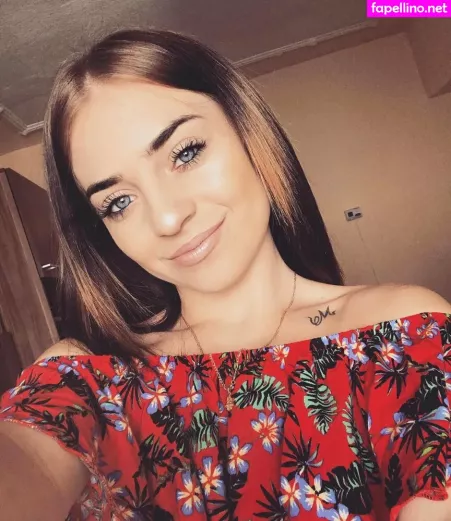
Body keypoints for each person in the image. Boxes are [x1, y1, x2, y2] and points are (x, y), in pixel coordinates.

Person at [0, 28, 450, 521]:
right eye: (118, 201)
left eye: (185, 153)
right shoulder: (90, 377)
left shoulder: (404, 332)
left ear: (247, 131)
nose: (168, 218)